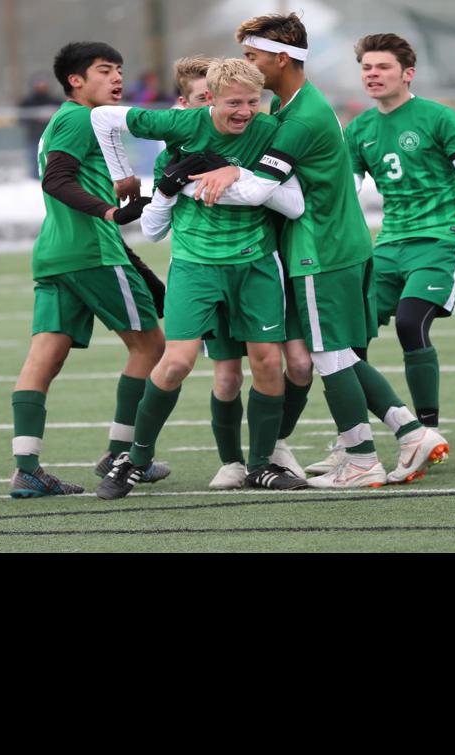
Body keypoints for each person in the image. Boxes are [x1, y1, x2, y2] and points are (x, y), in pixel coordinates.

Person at [218, 16, 449, 488]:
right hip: (332, 245)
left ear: (280, 58)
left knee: (328, 356)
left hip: (319, 250)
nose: (248, 66)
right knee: (335, 353)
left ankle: (362, 461)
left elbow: (261, 189)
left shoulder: (301, 115)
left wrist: (211, 176)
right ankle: (408, 431)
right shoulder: (292, 107)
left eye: (252, 57)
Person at [89, 58, 309, 498]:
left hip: (256, 265)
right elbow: (102, 118)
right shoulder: (181, 129)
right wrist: (143, 181)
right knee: (175, 363)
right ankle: (136, 458)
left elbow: (294, 202)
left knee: (269, 363)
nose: (245, 111)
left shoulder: (269, 133)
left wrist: (238, 176)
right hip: (195, 267)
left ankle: (260, 464)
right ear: (210, 98)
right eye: (234, 103)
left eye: (253, 101)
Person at [8, 41, 165, 499]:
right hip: (92, 253)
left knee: (45, 357)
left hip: (55, 253)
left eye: (119, 69)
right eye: (104, 70)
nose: (116, 78)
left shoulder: (65, 119)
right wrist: (110, 213)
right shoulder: (80, 117)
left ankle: (27, 470)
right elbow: (56, 179)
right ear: (76, 81)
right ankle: (121, 455)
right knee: (150, 346)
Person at [345, 33, 455, 445]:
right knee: (349, 336)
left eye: (383, 67)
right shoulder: (357, 130)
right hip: (387, 245)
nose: (373, 74)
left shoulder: (439, 117)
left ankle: (428, 430)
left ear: (408, 74)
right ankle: (356, 434)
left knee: (411, 323)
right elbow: (345, 195)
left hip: (438, 240)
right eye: (367, 68)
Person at [18, 73, 61, 180]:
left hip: (53, 139)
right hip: (34, 139)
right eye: (38, 84)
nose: (41, 86)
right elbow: (20, 120)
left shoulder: (56, 101)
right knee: (35, 164)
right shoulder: (26, 103)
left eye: (43, 84)